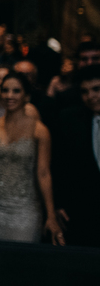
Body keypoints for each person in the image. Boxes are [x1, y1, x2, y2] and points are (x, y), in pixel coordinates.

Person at [0, 71, 63, 245]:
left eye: (16, 91)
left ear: (27, 96)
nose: (9, 95)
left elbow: (44, 173)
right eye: (5, 90)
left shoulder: (40, 131)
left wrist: (51, 215)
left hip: (25, 210)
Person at [53, 65, 100, 247]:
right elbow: (58, 165)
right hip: (82, 211)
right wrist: (57, 204)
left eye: (97, 89)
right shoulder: (69, 120)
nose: (91, 96)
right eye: (85, 91)